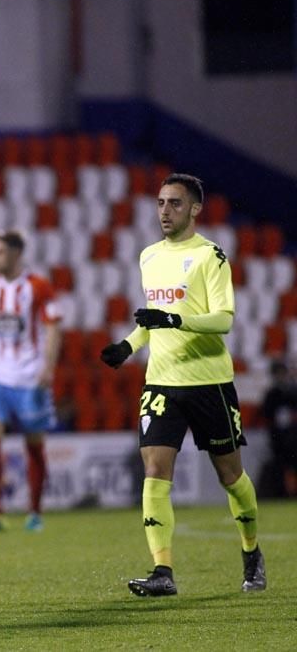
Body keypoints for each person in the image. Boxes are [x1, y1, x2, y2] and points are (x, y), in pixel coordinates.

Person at [100, 173, 266, 596]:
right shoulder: (149, 257)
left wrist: (173, 320)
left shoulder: (211, 256)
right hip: (161, 381)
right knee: (154, 471)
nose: (164, 212)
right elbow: (155, 319)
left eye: (174, 203)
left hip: (209, 381)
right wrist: (128, 345)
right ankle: (163, 572)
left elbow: (223, 320)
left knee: (231, 477)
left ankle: (251, 552)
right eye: (159, 203)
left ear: (194, 209)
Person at [0, 231, 59, 533]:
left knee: (34, 444)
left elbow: (51, 328)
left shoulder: (38, 286)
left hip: (29, 376)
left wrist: (47, 368)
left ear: (15, 254)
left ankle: (34, 511)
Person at [259, 360, 297, 497]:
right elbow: (267, 415)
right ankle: (283, 492)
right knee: (281, 466)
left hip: (292, 436)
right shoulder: (272, 394)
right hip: (279, 438)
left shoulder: (292, 391)